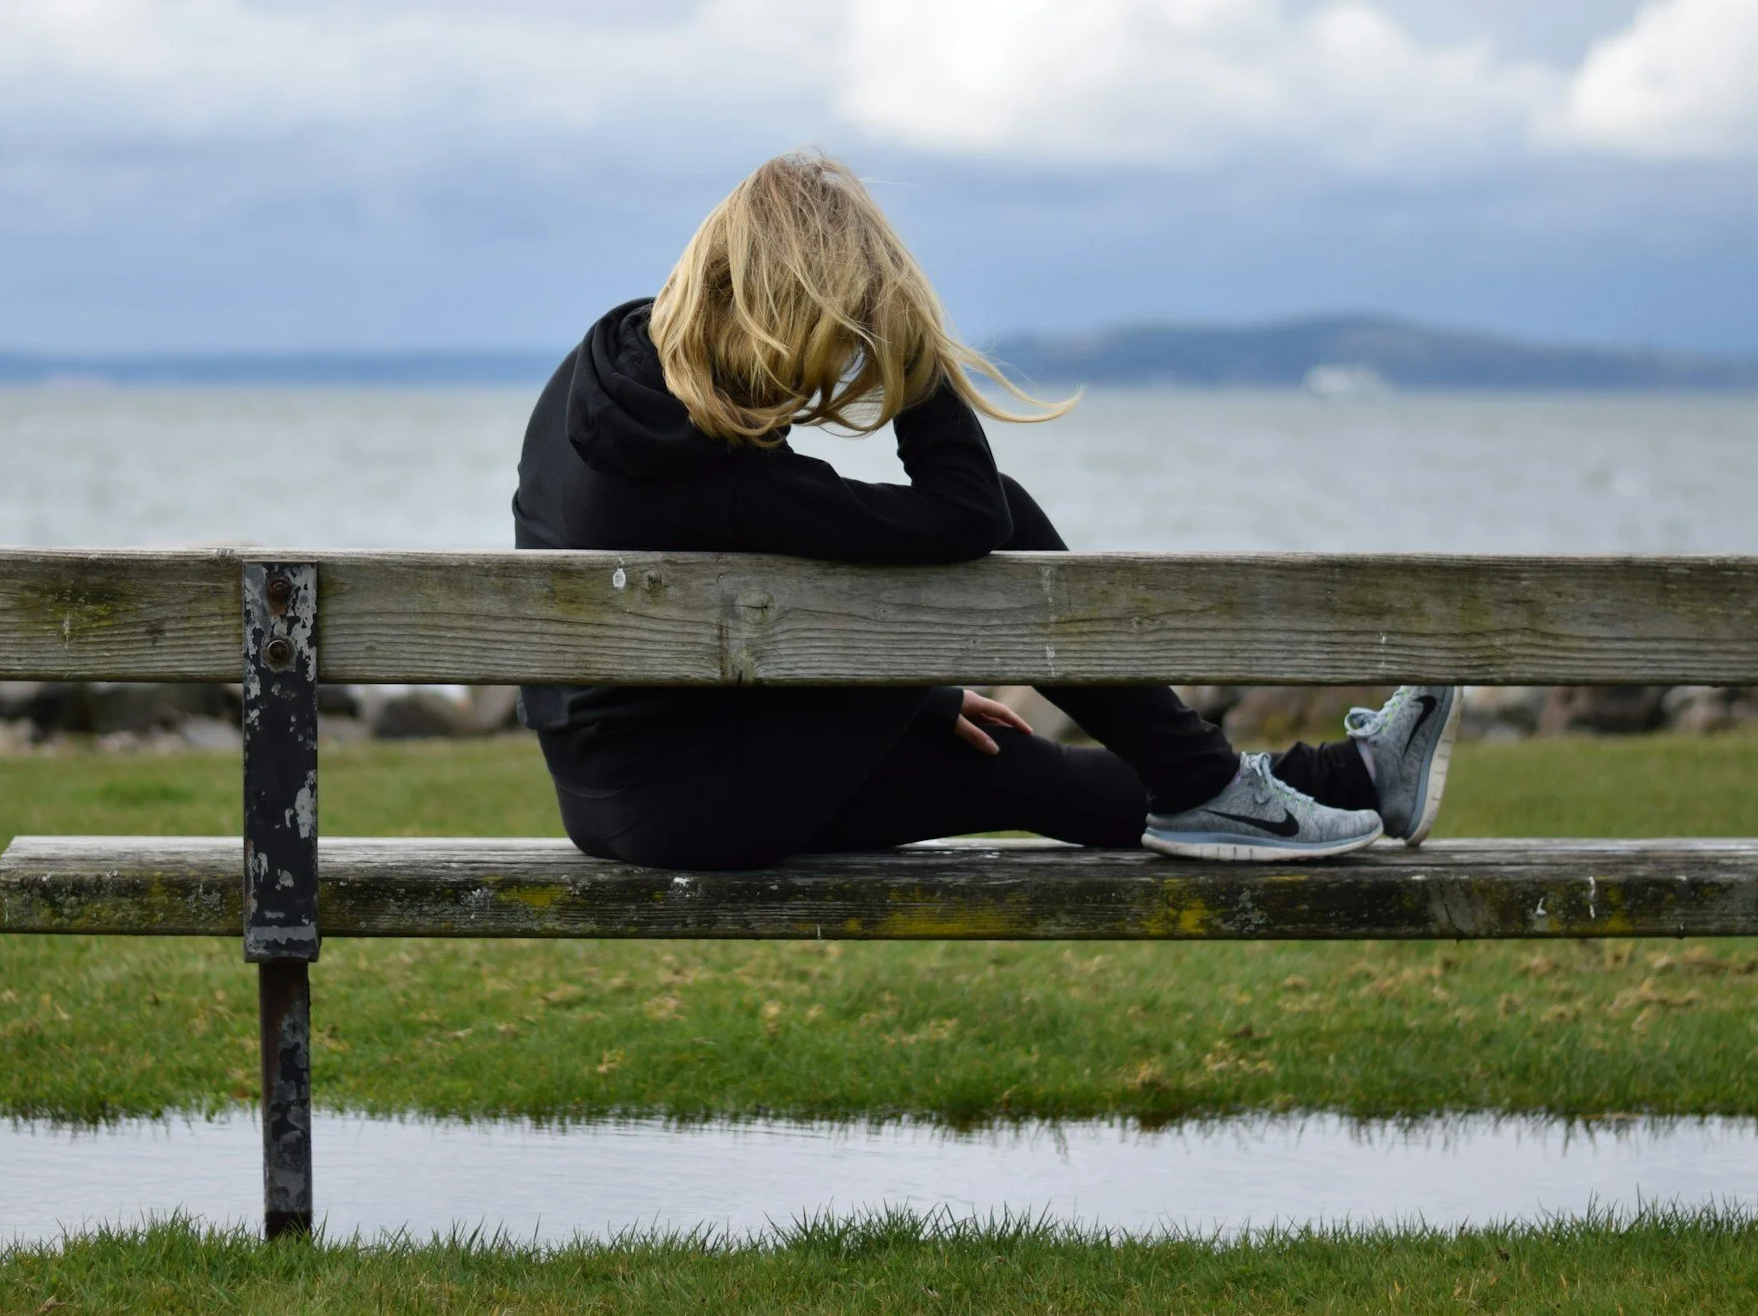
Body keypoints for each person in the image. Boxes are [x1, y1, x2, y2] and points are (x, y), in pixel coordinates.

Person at [511, 150, 1459, 872]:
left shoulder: (615, 373)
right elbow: (970, 515)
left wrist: (910, 697)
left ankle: (1357, 781)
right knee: (1004, 510)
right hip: (693, 806)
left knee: (1023, 767)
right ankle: (1209, 783)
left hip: (631, 787)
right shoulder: (705, 472)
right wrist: (911, 339)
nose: (821, 380)